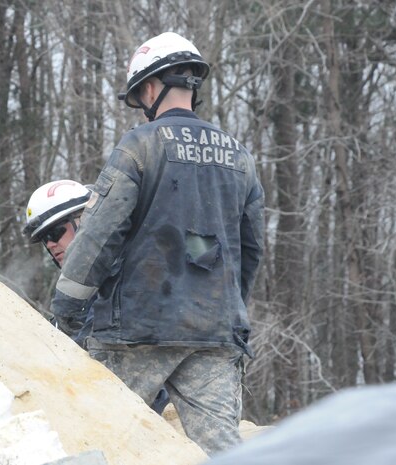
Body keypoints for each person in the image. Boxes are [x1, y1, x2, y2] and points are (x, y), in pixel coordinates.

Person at [49, 32, 265, 456]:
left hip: (138, 331)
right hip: (214, 333)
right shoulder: (240, 157)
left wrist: (66, 309)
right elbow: (251, 248)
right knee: (223, 451)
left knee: (101, 442)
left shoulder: (140, 146)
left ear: (149, 87)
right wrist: (228, 307)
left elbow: (99, 234)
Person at [24, 179, 171, 414]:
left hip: (143, 413)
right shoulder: (78, 290)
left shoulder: (126, 273)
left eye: (55, 232)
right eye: (44, 239)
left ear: (85, 221)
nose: (51, 244)